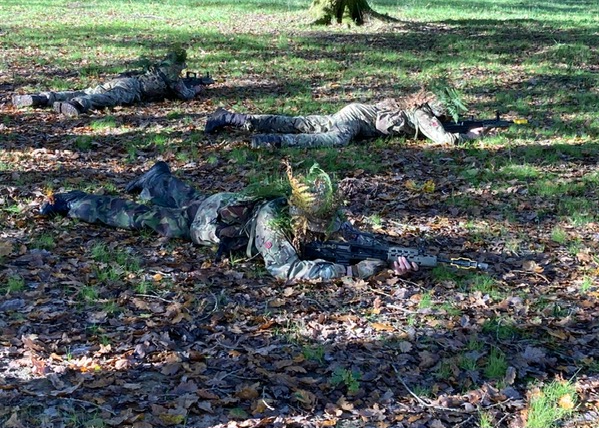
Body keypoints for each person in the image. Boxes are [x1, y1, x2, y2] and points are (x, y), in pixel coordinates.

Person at [39, 161, 417, 281]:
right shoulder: (276, 220)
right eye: (317, 218)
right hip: (204, 224)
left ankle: (156, 177)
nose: (326, 223)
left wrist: (386, 254)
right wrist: (355, 272)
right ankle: (72, 202)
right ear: (301, 212)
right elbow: (286, 269)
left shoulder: (324, 212)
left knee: (187, 196)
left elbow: (350, 237)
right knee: (139, 217)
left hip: (223, 203)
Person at [203, 89, 486, 149]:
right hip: (357, 119)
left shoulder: (415, 105)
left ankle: (234, 118)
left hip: (355, 112)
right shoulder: (422, 113)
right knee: (335, 139)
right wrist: (471, 135)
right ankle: (272, 140)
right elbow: (443, 138)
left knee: (300, 121)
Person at [12, 49, 202, 117]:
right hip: (134, 90)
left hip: (126, 80)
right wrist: (197, 88)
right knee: (104, 98)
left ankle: (42, 98)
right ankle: (78, 104)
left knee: (89, 89)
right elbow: (185, 95)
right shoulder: (172, 78)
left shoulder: (158, 69)